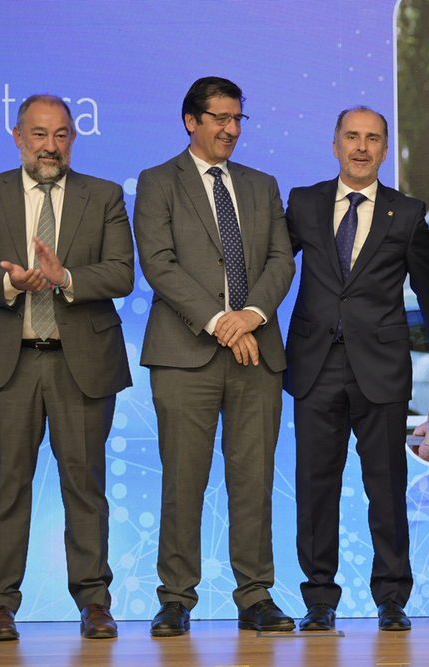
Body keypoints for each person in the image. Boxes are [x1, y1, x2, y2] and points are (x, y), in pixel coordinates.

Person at [0, 94, 133, 641]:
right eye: (38, 134)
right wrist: (10, 282)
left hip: (81, 364)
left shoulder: (102, 195)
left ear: (73, 139)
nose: (50, 146)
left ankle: (95, 603)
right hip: (10, 363)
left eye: (60, 135)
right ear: (17, 137)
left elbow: (122, 273)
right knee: (5, 488)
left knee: (85, 486)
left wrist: (67, 278)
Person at [134, 76, 296, 636]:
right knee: (184, 479)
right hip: (185, 355)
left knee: (253, 479)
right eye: (220, 118)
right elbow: (159, 263)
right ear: (191, 121)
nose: (231, 129)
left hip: (257, 352)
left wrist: (250, 316)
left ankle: (255, 596)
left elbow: (281, 260)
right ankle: (176, 598)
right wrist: (221, 322)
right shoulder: (159, 182)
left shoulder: (262, 184)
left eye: (238, 119)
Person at [284, 106, 429, 632]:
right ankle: (319, 601)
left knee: (387, 489)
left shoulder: (408, 211)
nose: (361, 146)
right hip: (314, 366)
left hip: (381, 369)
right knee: (315, 488)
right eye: (352, 137)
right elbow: (271, 271)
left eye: (372, 138)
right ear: (335, 145)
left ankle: (392, 599)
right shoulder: (303, 203)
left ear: (384, 149)